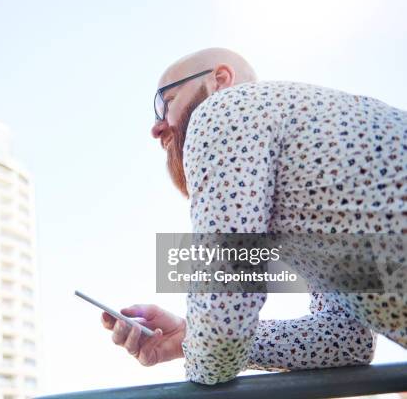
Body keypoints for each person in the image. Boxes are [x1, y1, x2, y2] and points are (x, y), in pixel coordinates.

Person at [101, 48, 406, 385]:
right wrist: (189, 337)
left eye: (166, 101)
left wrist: (205, 349)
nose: (157, 128)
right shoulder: (312, 194)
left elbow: (224, 310)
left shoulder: (223, 110)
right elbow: (344, 342)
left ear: (220, 80)